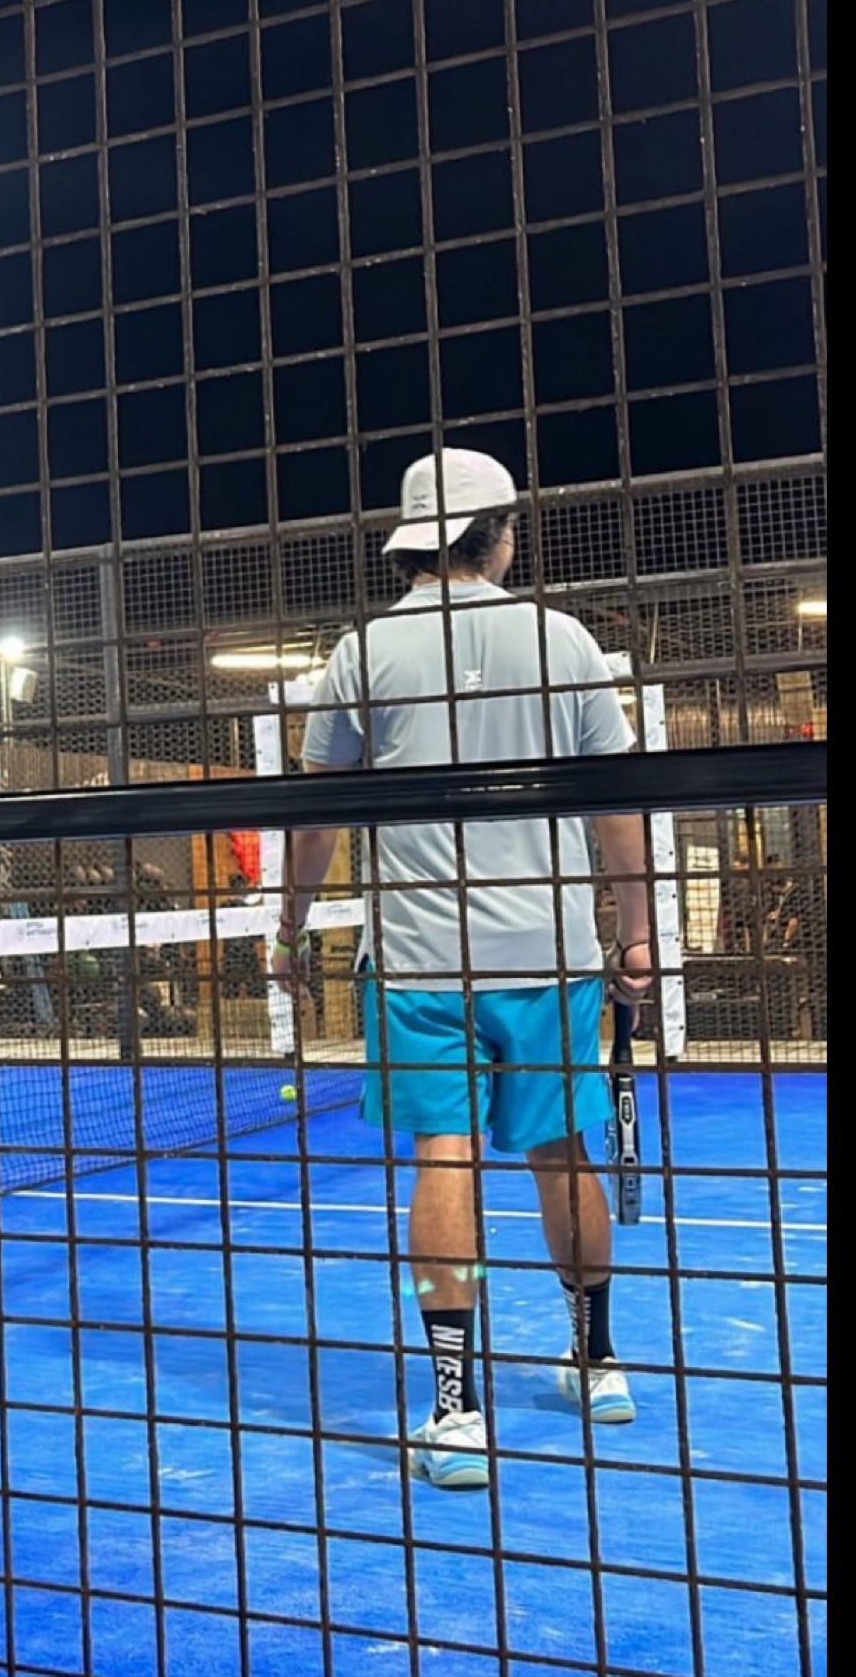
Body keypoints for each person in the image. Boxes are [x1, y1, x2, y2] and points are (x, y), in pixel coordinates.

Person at [270, 449, 652, 1491]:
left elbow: (316, 816)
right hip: (549, 955)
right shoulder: (562, 639)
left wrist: (291, 928)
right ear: (500, 536)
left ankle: (455, 1409)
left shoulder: (363, 651)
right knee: (563, 1153)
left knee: (447, 1156)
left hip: (420, 961)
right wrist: (636, 933)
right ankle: (597, 1362)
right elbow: (618, 801)